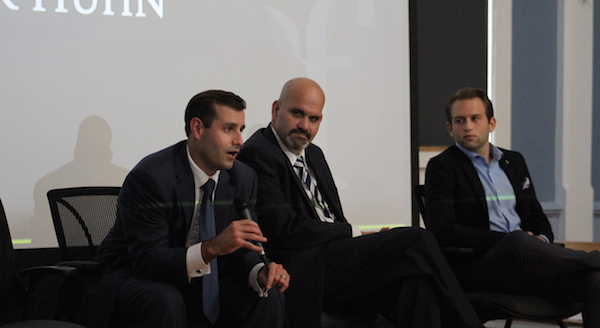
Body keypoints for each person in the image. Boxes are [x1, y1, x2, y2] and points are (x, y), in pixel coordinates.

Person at [237, 77, 483, 328]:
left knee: (414, 282)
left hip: (335, 259)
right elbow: (284, 229)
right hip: (303, 267)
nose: (304, 126)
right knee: (418, 240)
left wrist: (365, 242)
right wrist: (357, 233)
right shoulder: (259, 152)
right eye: (297, 114)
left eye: (314, 119)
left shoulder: (314, 154)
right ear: (276, 109)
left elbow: (333, 217)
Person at [88, 90, 289, 328]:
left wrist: (259, 271)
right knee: (165, 299)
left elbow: (243, 247)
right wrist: (212, 247)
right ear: (197, 128)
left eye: (241, 129)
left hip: (204, 279)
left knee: (266, 295)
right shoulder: (151, 177)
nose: (239, 141)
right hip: (134, 275)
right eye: (228, 129)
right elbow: (147, 260)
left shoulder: (243, 178)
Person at [425, 86, 600, 326]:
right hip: (483, 268)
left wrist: (541, 239)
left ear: (491, 123)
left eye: (475, 118)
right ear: (450, 128)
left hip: (532, 263)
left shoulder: (513, 161)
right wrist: (507, 241)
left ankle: (589, 263)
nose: (468, 126)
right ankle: (592, 258)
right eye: (459, 120)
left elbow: (538, 218)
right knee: (518, 241)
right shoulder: (442, 167)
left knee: (595, 282)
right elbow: (443, 231)